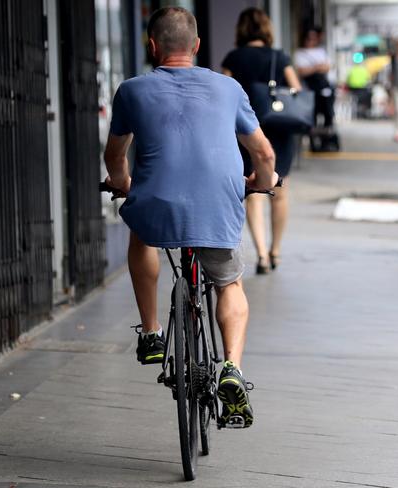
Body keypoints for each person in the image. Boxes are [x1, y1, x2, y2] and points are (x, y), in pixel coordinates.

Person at [103, 7, 278, 427]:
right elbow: (264, 153)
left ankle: (151, 333)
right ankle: (232, 368)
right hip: (216, 203)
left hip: (156, 203)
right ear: (197, 46)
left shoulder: (131, 90)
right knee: (228, 282)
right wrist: (263, 182)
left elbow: (115, 155)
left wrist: (123, 183)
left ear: (152, 46)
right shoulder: (228, 88)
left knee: (141, 233)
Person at [222, 8, 302, 275]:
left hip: (246, 132)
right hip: (280, 130)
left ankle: (262, 255)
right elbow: (296, 91)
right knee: (280, 190)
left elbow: (224, 95)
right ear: (267, 29)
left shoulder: (233, 58)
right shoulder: (280, 57)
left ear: (241, 30)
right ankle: (276, 250)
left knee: (254, 193)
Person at [294, 27, 338, 151]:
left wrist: (313, 68)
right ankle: (314, 143)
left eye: (314, 38)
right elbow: (302, 71)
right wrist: (317, 67)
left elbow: (328, 67)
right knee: (312, 117)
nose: (311, 41)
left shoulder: (321, 51)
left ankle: (327, 142)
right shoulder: (300, 53)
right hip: (309, 90)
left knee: (328, 116)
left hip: (324, 90)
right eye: (308, 38)